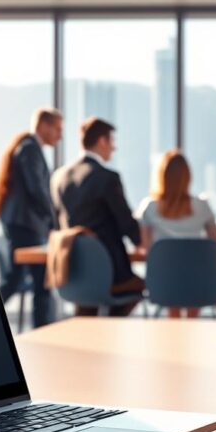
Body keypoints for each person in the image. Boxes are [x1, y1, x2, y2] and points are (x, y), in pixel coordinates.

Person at [51, 117, 143, 317]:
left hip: (72, 271)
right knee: (139, 287)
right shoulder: (107, 178)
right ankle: (108, 326)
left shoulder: (58, 177)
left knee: (87, 300)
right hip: (111, 275)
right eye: (112, 142)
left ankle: (88, 334)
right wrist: (141, 241)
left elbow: (56, 222)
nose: (114, 148)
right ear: (102, 141)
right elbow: (126, 223)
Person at [0, 107, 62, 328]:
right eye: (57, 129)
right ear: (43, 126)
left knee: (17, 279)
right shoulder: (30, 149)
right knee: (39, 281)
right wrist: (54, 222)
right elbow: (37, 189)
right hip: (26, 224)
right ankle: (42, 332)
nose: (60, 135)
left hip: (23, 223)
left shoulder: (27, 147)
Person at [136, 150, 216, 318]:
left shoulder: (149, 207)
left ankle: (173, 329)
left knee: (172, 287)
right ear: (188, 177)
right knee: (193, 286)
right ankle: (190, 323)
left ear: (160, 176)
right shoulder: (202, 206)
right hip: (199, 281)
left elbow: (146, 248)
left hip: (164, 282)